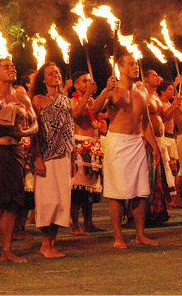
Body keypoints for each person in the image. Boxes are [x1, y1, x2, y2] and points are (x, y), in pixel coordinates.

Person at [0, 58, 38, 266]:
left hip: (15, 151)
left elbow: (34, 124)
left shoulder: (21, 96)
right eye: (6, 67)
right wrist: (8, 122)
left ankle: (7, 250)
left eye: (13, 66)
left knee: (12, 204)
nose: (12, 69)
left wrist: (23, 131)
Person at [103, 54, 160, 249]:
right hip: (118, 142)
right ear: (120, 68)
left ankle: (140, 234)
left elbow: (146, 122)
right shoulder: (113, 91)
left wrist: (155, 146)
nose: (136, 67)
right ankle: (118, 237)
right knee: (117, 193)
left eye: (136, 63)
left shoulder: (142, 90)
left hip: (137, 143)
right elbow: (94, 110)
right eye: (131, 64)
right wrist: (106, 91)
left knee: (140, 192)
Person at [29, 63, 74, 258]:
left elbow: (70, 131)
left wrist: (72, 158)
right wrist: (38, 158)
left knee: (61, 201)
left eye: (57, 72)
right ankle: (45, 244)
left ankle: (53, 242)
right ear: (43, 79)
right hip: (46, 157)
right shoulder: (37, 100)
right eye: (50, 73)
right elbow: (34, 132)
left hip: (64, 156)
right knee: (48, 201)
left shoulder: (65, 100)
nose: (55, 75)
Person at [69, 71, 113, 236]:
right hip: (80, 146)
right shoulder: (72, 101)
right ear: (76, 85)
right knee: (77, 189)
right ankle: (75, 225)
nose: (88, 83)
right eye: (84, 81)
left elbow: (96, 110)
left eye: (89, 80)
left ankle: (89, 223)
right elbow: (77, 114)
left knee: (89, 189)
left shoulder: (91, 101)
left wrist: (107, 90)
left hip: (93, 146)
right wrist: (88, 93)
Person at [142, 69, 176, 224]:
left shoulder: (155, 96)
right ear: (145, 79)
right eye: (154, 76)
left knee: (159, 178)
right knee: (149, 178)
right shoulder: (141, 94)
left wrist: (174, 105)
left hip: (160, 140)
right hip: (147, 140)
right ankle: (145, 213)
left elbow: (164, 117)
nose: (158, 78)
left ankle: (158, 210)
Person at [158, 80, 179, 184]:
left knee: (173, 169)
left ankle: (172, 196)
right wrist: (174, 105)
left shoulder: (168, 103)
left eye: (173, 89)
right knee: (166, 169)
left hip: (171, 138)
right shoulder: (160, 103)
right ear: (162, 91)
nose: (173, 91)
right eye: (170, 89)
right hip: (164, 138)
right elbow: (164, 118)